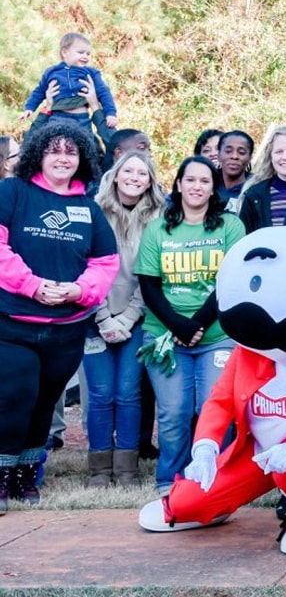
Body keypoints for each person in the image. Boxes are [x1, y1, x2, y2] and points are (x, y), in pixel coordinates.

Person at [0, 123, 119, 511]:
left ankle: (26, 479)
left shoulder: (87, 207)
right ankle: (2, 476)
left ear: (82, 159)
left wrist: (78, 291)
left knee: (44, 401)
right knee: (15, 397)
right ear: (38, 153)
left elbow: (105, 262)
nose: (63, 157)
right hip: (13, 323)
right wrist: (32, 285)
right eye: (54, 150)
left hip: (66, 329)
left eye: (71, 151)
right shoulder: (12, 192)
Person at [136, 156, 245, 491]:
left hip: (218, 335)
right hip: (165, 336)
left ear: (214, 189)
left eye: (205, 181)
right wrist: (177, 326)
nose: (197, 186)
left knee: (213, 409)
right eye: (191, 180)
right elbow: (149, 285)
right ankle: (172, 480)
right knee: (173, 413)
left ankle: (219, 478)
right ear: (179, 184)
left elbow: (233, 278)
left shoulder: (229, 226)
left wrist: (196, 323)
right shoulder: (158, 228)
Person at [80, 150, 164, 489]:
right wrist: (103, 318)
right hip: (93, 317)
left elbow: (154, 275)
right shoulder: (93, 211)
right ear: (115, 174)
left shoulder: (159, 218)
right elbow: (83, 267)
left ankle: (127, 469)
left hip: (137, 317)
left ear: (150, 181)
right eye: (128, 170)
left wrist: (128, 318)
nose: (134, 177)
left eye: (142, 173)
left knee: (128, 393)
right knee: (101, 393)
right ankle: (99, 469)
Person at [21, 32, 119, 131]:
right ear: (65, 53)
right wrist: (29, 108)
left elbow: (104, 92)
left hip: (82, 118)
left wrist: (110, 114)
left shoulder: (91, 73)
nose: (85, 56)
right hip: (58, 117)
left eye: (88, 54)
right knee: (54, 141)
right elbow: (39, 91)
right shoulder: (52, 72)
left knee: (86, 142)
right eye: (81, 52)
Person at [237, 126, 286, 234]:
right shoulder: (255, 195)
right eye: (279, 152)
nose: (285, 157)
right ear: (271, 155)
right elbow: (244, 238)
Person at [215, 130, 254, 204]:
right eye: (228, 151)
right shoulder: (208, 183)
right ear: (219, 155)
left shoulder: (256, 188)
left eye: (241, 153)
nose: (234, 156)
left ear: (250, 158)